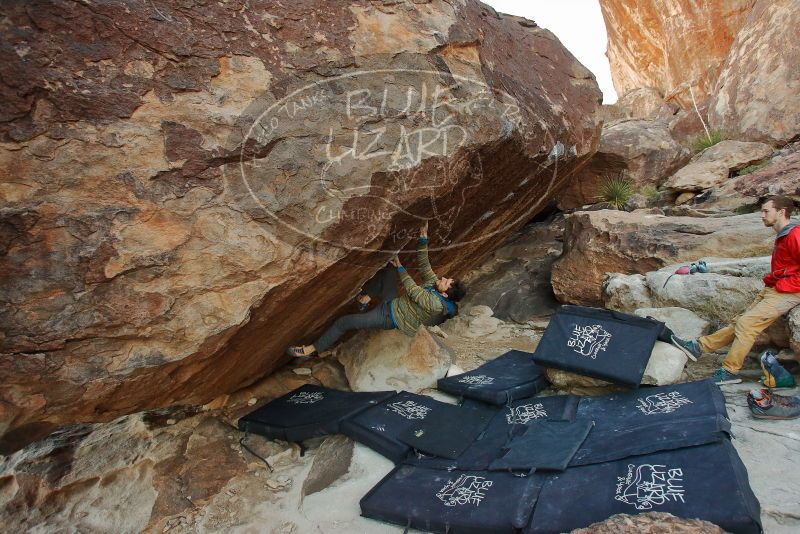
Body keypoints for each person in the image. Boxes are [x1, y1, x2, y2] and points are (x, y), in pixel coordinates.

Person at [286, 222, 467, 358]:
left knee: (343, 322)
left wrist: (401, 267)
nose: (442, 278)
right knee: (387, 270)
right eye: (446, 278)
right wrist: (423, 238)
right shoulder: (437, 289)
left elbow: (413, 291)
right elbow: (424, 265)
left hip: (391, 317)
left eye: (446, 281)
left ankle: (310, 350)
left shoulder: (436, 304)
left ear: (445, 293)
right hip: (395, 303)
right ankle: (365, 299)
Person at [671, 196, 800, 386]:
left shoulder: (795, 234)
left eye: (766, 211)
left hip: (788, 291)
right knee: (739, 322)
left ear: (781, 212)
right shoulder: (784, 234)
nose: (761, 215)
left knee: (747, 324)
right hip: (775, 288)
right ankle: (699, 347)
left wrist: (789, 282)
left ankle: (730, 371)